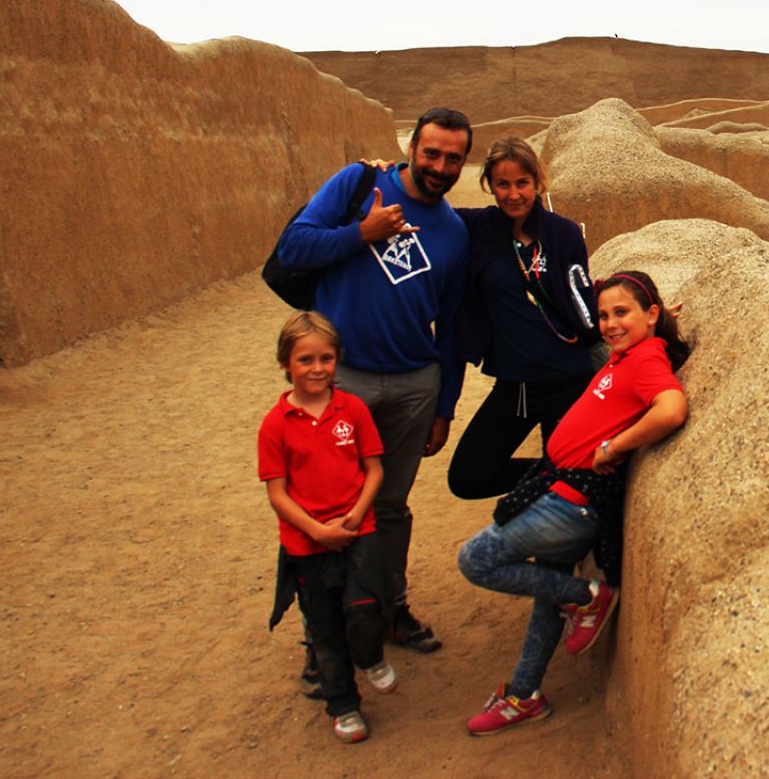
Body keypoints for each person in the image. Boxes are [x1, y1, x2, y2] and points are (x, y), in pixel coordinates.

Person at [456, 271, 690, 736]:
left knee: (476, 559)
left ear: (650, 314)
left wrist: (614, 446)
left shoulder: (644, 360)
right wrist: (653, 322)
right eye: (603, 315)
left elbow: (671, 409)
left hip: (572, 503)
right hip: (562, 490)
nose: (609, 324)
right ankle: (525, 694)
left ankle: (588, 598)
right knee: (548, 593)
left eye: (621, 312)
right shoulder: (628, 353)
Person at [277, 107, 473, 657]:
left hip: (414, 384)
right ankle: (327, 637)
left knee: (389, 507)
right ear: (411, 146)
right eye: (431, 152)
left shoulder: (454, 232)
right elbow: (293, 247)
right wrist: (361, 233)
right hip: (342, 383)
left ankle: (389, 608)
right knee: (328, 507)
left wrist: (445, 405)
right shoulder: (359, 183)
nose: (439, 166)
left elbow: (452, 326)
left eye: (452, 158)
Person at [259, 311, 399, 743]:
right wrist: (317, 531)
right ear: (286, 364)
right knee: (324, 628)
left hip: (359, 529)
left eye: (326, 358)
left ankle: (371, 655)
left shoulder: (352, 409)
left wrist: (357, 514)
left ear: (337, 360)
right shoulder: (275, 424)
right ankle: (343, 705)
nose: (317, 368)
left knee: (366, 608)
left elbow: (373, 469)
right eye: (305, 360)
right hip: (307, 543)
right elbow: (278, 493)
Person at [447, 137, 601, 501]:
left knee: (574, 489)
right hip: (515, 386)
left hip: (567, 381)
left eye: (522, 183)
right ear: (490, 185)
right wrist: (384, 175)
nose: (513, 194)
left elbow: (582, 295)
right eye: (503, 184)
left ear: (537, 182)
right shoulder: (479, 227)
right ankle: (550, 474)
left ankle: (558, 487)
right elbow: (423, 209)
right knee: (469, 476)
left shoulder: (562, 233)